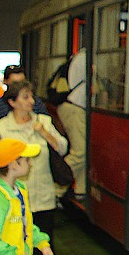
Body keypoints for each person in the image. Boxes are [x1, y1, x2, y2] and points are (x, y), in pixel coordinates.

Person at [0, 81, 68, 255]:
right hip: (13, 197)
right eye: (25, 97)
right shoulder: (1, 128)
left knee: (44, 238)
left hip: (42, 193)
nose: (31, 102)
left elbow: (62, 147)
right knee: (15, 240)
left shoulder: (44, 121)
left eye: (31, 97)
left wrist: (44, 133)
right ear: (12, 102)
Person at [0, 65, 48, 137]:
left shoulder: (36, 102)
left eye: (22, 82)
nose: (20, 87)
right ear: (5, 81)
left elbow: (47, 125)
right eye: (15, 83)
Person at [56, 48, 87, 195]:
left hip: (72, 106)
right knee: (80, 152)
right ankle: (53, 185)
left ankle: (80, 190)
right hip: (75, 108)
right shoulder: (85, 58)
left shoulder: (79, 56)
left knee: (83, 151)